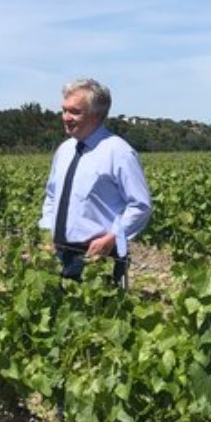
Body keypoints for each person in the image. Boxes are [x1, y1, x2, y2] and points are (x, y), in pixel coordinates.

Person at [39, 78, 152, 282]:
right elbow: (52, 195)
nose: (66, 117)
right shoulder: (64, 150)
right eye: (64, 110)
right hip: (59, 253)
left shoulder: (118, 152)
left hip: (99, 257)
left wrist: (113, 238)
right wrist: (48, 230)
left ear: (97, 115)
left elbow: (140, 205)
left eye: (74, 111)